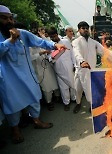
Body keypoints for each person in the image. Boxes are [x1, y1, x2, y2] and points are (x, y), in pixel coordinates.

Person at [0, 5, 66, 143]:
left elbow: (40, 41)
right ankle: (15, 129)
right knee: (12, 105)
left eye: (11, 18)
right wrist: (11, 40)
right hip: (9, 79)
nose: (9, 21)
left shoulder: (22, 33)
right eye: (5, 18)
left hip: (28, 75)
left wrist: (55, 46)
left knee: (35, 97)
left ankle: (36, 121)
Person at [72, 21, 112, 114]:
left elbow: (105, 51)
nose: (85, 30)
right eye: (82, 28)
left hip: (90, 70)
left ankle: (92, 105)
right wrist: (82, 61)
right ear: (79, 30)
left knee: (89, 90)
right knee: (77, 89)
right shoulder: (76, 42)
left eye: (86, 28)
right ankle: (78, 103)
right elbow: (76, 53)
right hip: (79, 69)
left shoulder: (94, 43)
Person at [48, 27, 76, 111]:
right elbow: (49, 57)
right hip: (58, 69)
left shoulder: (65, 41)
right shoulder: (50, 44)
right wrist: (52, 57)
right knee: (63, 87)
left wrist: (74, 64)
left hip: (69, 66)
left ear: (57, 34)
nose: (53, 38)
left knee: (72, 84)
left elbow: (72, 53)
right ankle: (66, 102)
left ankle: (74, 98)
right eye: (51, 37)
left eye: (54, 36)